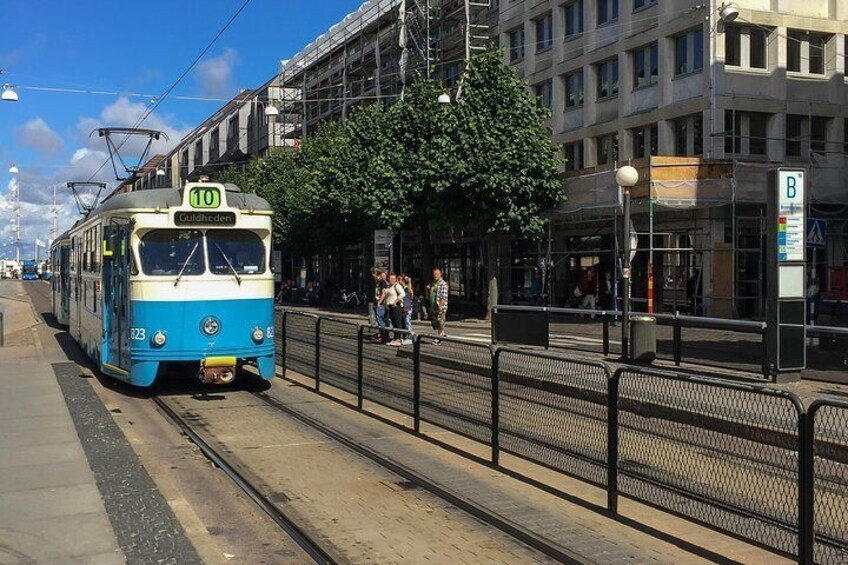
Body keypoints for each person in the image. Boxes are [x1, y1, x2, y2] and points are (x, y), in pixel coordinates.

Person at [384, 273, 406, 346]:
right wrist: (386, 304)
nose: (392, 280)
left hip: (397, 306)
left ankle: (398, 339)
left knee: (397, 323)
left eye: (393, 279)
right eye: (390, 278)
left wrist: (395, 302)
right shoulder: (388, 287)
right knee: (393, 323)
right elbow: (387, 296)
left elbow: (403, 294)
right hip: (390, 307)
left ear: (396, 279)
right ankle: (395, 338)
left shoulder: (397, 286)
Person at [428, 267, 449, 342]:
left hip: (440, 306)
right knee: (437, 321)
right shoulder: (434, 283)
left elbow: (443, 296)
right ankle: (442, 334)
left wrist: (440, 306)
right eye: (434, 274)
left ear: (440, 274)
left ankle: (439, 338)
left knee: (440, 321)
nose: (435, 275)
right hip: (434, 305)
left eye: (437, 274)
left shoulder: (442, 283)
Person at [401, 276, 416, 345]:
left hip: (407, 308)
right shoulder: (407, 288)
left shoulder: (406, 289)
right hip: (408, 307)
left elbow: (407, 299)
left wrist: (406, 309)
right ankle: (408, 337)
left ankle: (410, 338)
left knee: (407, 322)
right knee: (407, 322)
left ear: (403, 281)